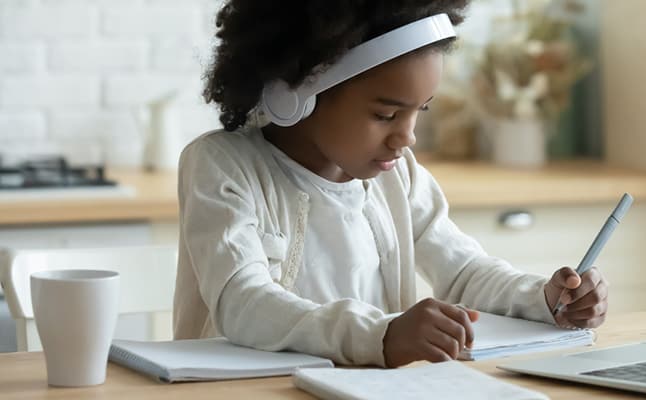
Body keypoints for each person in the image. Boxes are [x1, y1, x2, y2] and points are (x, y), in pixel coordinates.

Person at [172, 0, 608, 368]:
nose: (407, 137)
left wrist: (544, 298)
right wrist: (380, 335)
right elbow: (244, 305)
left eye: (422, 111)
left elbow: (463, 271)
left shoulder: (397, 175)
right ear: (295, 93)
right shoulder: (222, 164)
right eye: (385, 115)